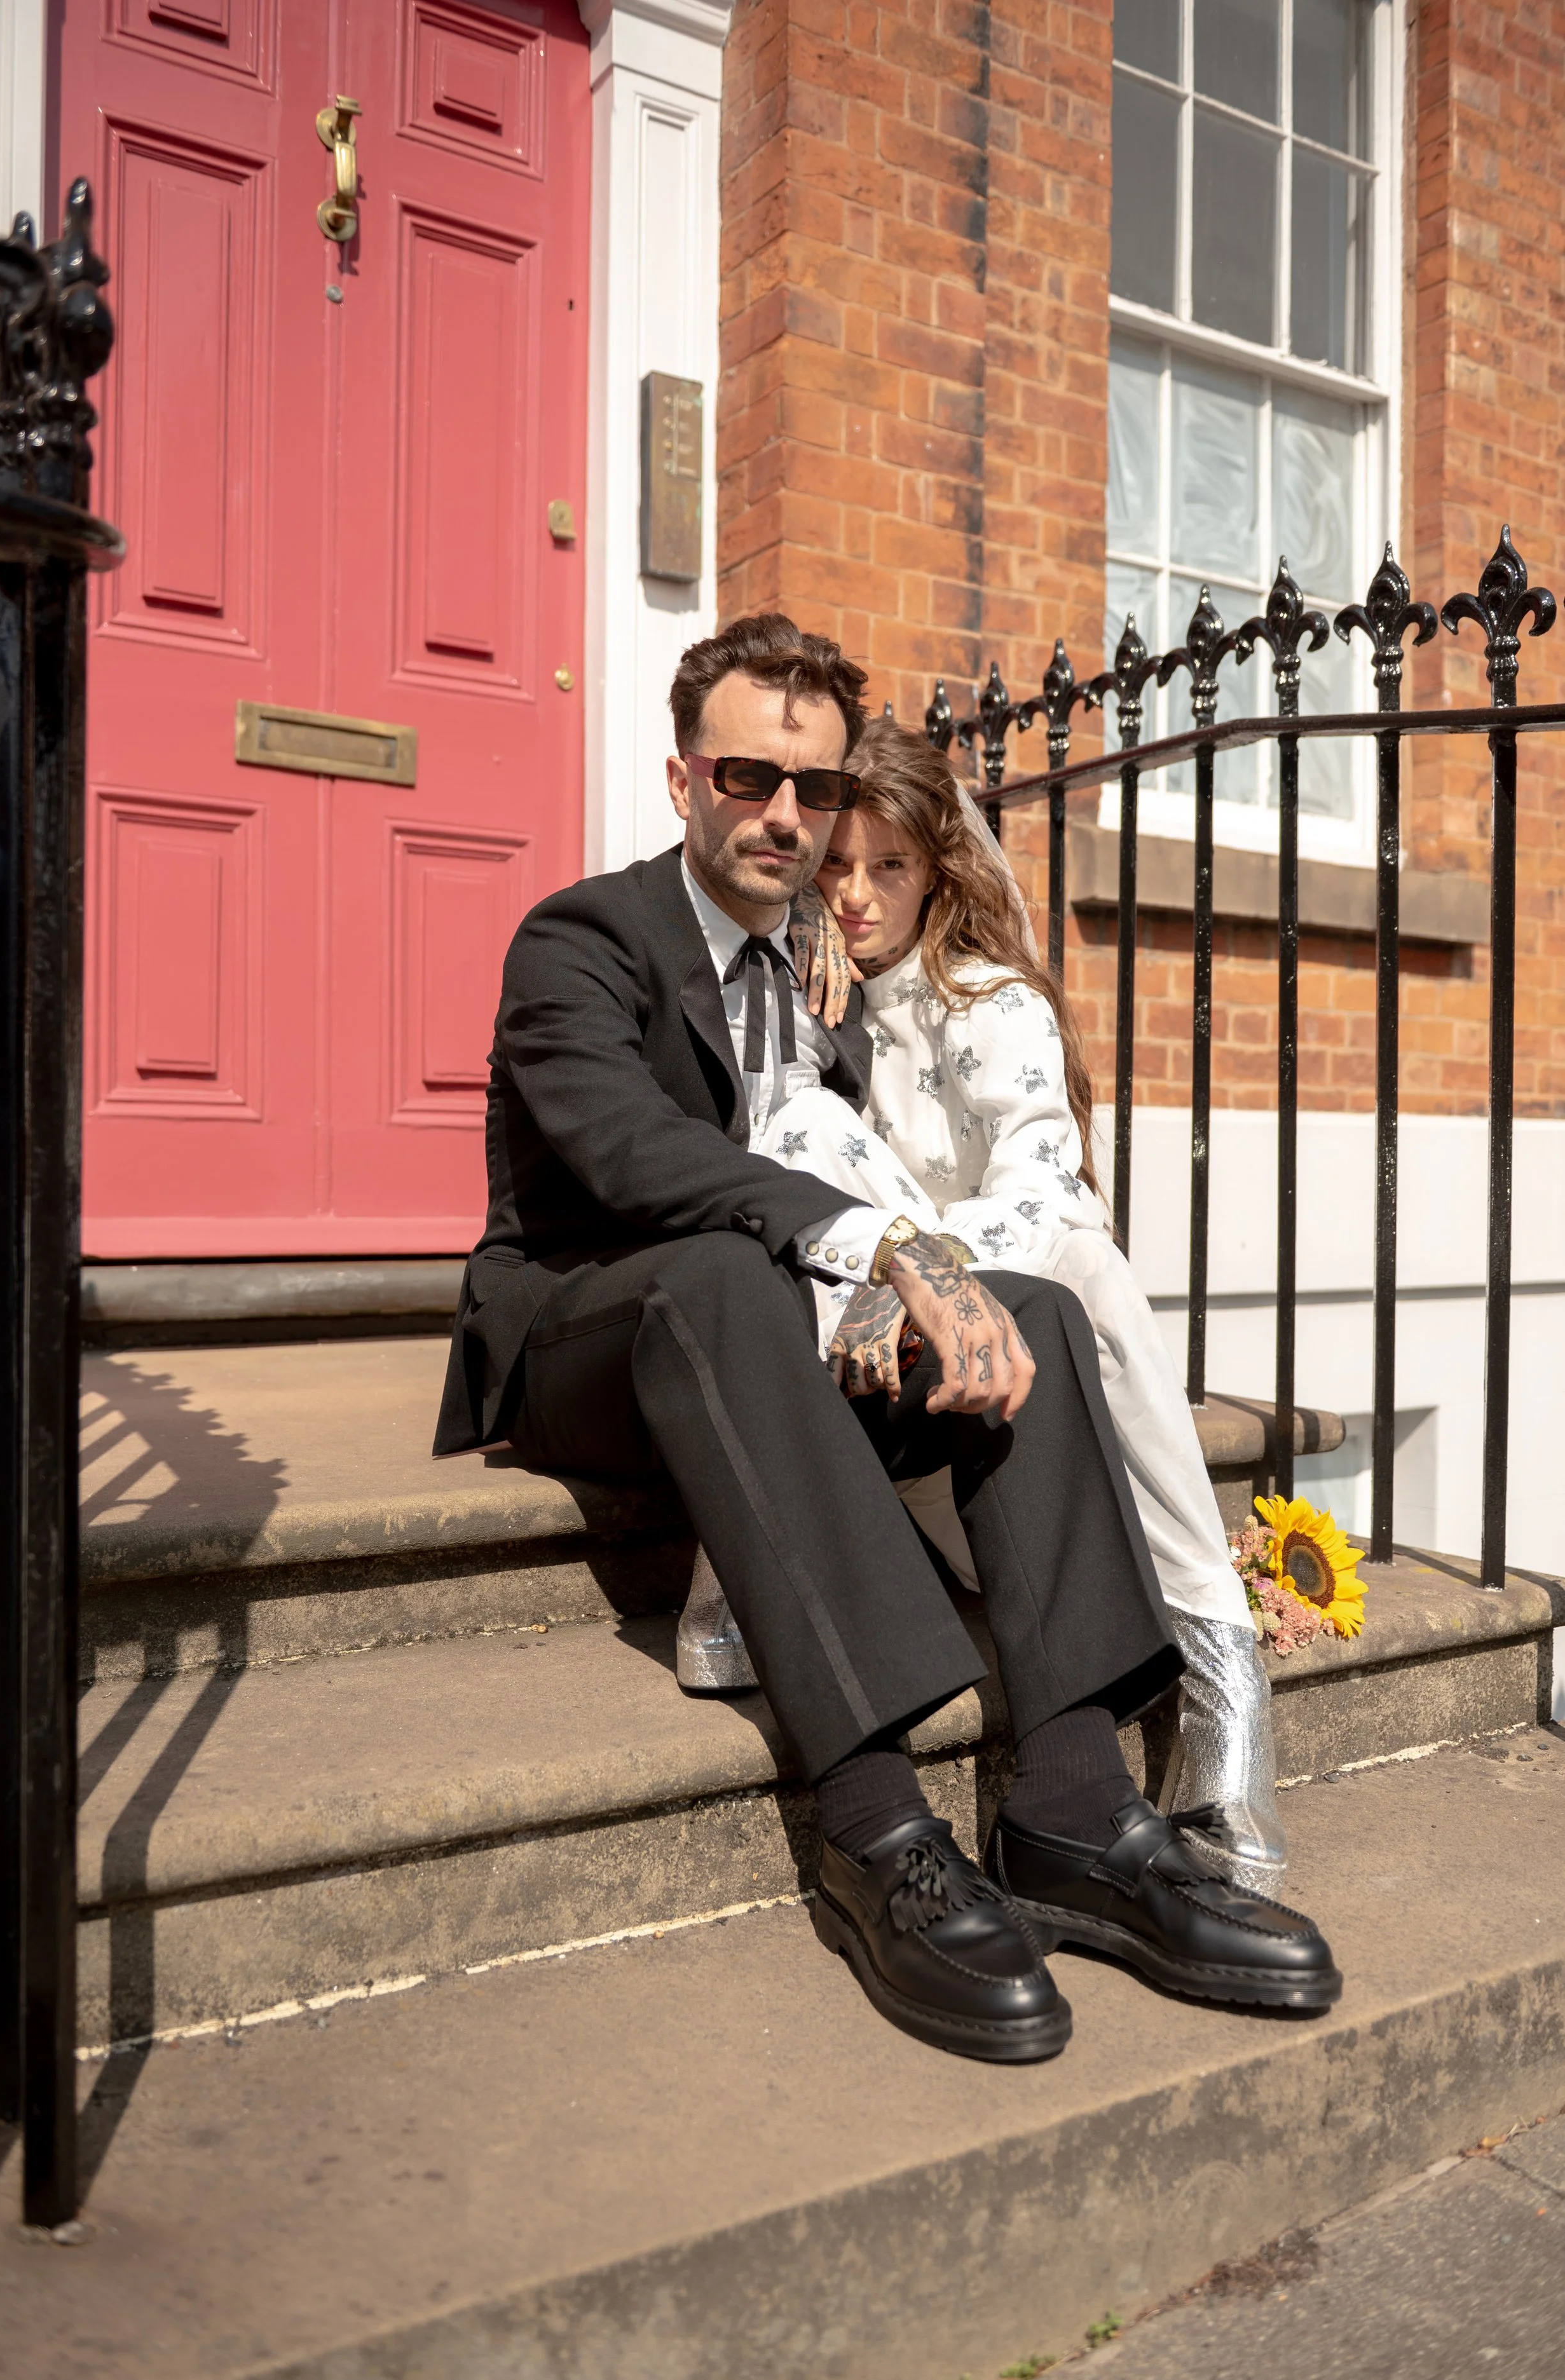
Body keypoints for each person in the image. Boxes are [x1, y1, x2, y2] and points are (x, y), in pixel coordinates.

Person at [435, 613, 1340, 2062]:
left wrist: (917, 1276)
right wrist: (884, 1251)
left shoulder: (823, 973)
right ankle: (875, 1835)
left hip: (776, 1351)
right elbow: (633, 1160)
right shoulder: (582, 938)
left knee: (1027, 1305)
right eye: (746, 777)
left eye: (808, 784)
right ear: (683, 783)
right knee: (717, 1277)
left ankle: (1073, 1813)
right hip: (588, 1343)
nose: (784, 816)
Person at [679, 715, 1287, 1894]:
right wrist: (881, 1265)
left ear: (937, 866)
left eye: (888, 867)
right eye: (834, 868)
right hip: (878, 1358)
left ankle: (1221, 1666)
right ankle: (737, 1579)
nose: (854, 896)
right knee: (795, 1124)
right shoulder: (808, 992)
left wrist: (914, 1272)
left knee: (1092, 1269)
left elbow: (1053, 1201)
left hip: (991, 1343)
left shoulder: (993, 1001)